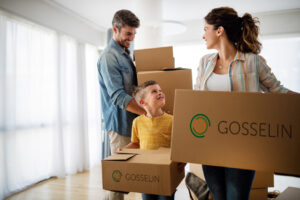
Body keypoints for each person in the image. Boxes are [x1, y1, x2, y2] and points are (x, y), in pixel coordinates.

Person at [195, 7, 296, 200]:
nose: (203, 35)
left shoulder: (252, 62)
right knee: (218, 197)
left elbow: (279, 92)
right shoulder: (205, 63)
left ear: (219, 30)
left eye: (205, 28)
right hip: (210, 145)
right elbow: (196, 101)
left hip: (242, 145)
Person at [97, 9, 146, 200]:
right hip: (120, 125)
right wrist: (147, 113)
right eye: (128, 33)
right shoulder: (109, 57)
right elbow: (118, 96)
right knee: (118, 178)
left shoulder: (125, 54)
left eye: (134, 34)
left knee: (128, 175)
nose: (132, 38)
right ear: (115, 29)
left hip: (132, 122)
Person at [122, 80, 183, 200]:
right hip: (146, 173)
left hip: (166, 173)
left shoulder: (172, 120)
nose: (160, 93)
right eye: (154, 91)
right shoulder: (137, 122)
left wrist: (182, 161)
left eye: (160, 90)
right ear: (142, 102)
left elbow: (179, 145)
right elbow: (135, 143)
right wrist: (123, 150)